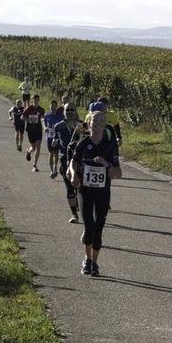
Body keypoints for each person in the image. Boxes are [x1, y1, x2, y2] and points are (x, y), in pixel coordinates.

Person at [68, 111, 122, 276]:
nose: (97, 123)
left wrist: (106, 164)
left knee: (99, 228)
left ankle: (95, 263)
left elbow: (118, 173)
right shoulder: (82, 144)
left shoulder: (109, 146)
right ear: (89, 124)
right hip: (85, 191)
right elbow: (73, 164)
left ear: (104, 125)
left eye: (101, 121)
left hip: (103, 192)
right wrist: (72, 175)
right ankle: (88, 259)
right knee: (89, 226)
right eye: (94, 120)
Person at [54, 102, 84, 223]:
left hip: (80, 159)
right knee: (69, 188)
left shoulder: (83, 125)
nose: (70, 112)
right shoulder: (58, 126)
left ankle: (81, 206)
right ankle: (74, 215)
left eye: (72, 110)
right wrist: (54, 142)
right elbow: (56, 139)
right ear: (64, 112)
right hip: (64, 159)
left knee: (80, 187)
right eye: (67, 110)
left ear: (75, 111)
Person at [22, 94, 45, 172]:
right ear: (32, 101)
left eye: (37, 100)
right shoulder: (29, 108)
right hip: (30, 130)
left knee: (38, 147)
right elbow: (22, 117)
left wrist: (44, 124)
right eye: (34, 100)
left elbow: (43, 119)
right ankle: (28, 151)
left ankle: (34, 165)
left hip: (38, 130)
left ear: (39, 100)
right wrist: (29, 120)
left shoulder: (42, 109)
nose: (36, 101)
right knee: (34, 147)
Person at [44, 100, 65, 179]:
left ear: (57, 106)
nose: (53, 108)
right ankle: (52, 170)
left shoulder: (61, 116)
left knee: (56, 154)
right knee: (50, 153)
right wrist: (45, 128)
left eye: (54, 106)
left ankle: (55, 167)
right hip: (49, 137)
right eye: (52, 106)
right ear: (50, 106)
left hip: (57, 138)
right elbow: (44, 123)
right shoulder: (47, 115)